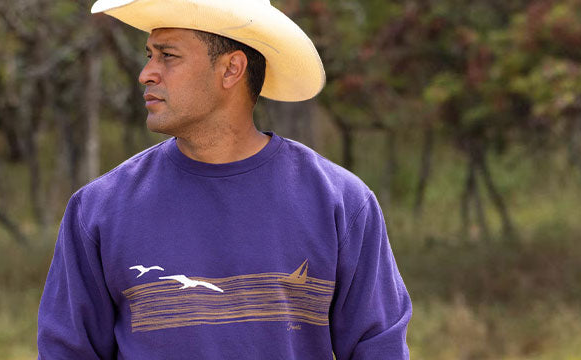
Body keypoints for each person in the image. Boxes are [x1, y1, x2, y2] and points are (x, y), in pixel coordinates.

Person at [37, 0, 410, 358]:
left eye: (168, 56)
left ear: (231, 69)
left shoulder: (340, 203)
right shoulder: (98, 210)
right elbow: (66, 352)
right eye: (149, 55)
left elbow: (379, 349)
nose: (146, 73)